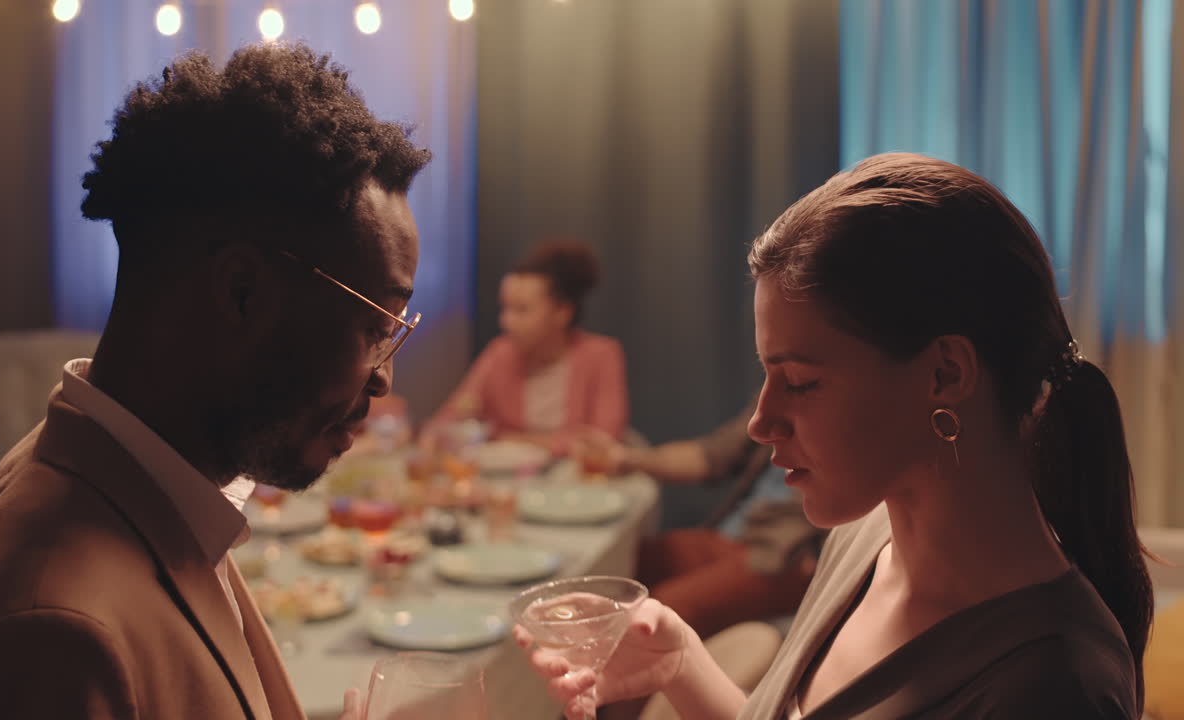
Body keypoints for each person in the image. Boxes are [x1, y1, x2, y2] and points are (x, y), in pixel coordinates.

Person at [515, 153, 1153, 719]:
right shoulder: (865, 537)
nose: (762, 423)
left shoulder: (1052, 688)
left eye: (800, 382)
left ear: (945, 373)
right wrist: (682, 663)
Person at [0, 43, 430, 720]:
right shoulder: (56, 634)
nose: (384, 380)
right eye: (373, 327)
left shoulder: (147, 483)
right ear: (242, 290)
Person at [576, 398, 823, 641]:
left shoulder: (843, 407)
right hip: (731, 536)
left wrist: (823, 552)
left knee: (660, 612)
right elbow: (712, 455)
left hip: (782, 557)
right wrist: (626, 458)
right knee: (614, 570)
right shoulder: (780, 390)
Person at [420, 239, 628, 456]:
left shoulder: (602, 355)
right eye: (505, 308)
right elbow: (448, 418)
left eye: (521, 310)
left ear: (562, 312)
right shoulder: (500, 353)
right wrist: (436, 434)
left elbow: (603, 442)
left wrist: (506, 437)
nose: (506, 321)